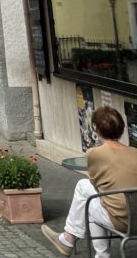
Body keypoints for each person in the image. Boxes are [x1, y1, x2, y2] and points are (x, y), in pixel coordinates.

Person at [43, 107, 137, 257]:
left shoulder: (95, 154)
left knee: (89, 202)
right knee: (83, 187)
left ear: (96, 128)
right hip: (135, 215)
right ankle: (68, 238)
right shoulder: (134, 152)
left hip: (120, 221)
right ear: (121, 129)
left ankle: (74, 242)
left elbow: (96, 184)